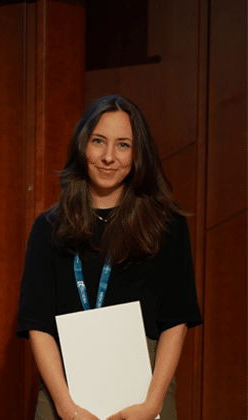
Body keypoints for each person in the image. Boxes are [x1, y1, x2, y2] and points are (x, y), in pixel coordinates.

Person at [17, 95, 203, 420]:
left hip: (144, 391)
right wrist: (65, 407)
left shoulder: (167, 225)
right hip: (65, 389)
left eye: (123, 145)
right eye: (98, 141)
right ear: (82, 147)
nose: (107, 157)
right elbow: (38, 324)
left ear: (137, 153)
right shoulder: (48, 227)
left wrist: (153, 403)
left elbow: (177, 319)